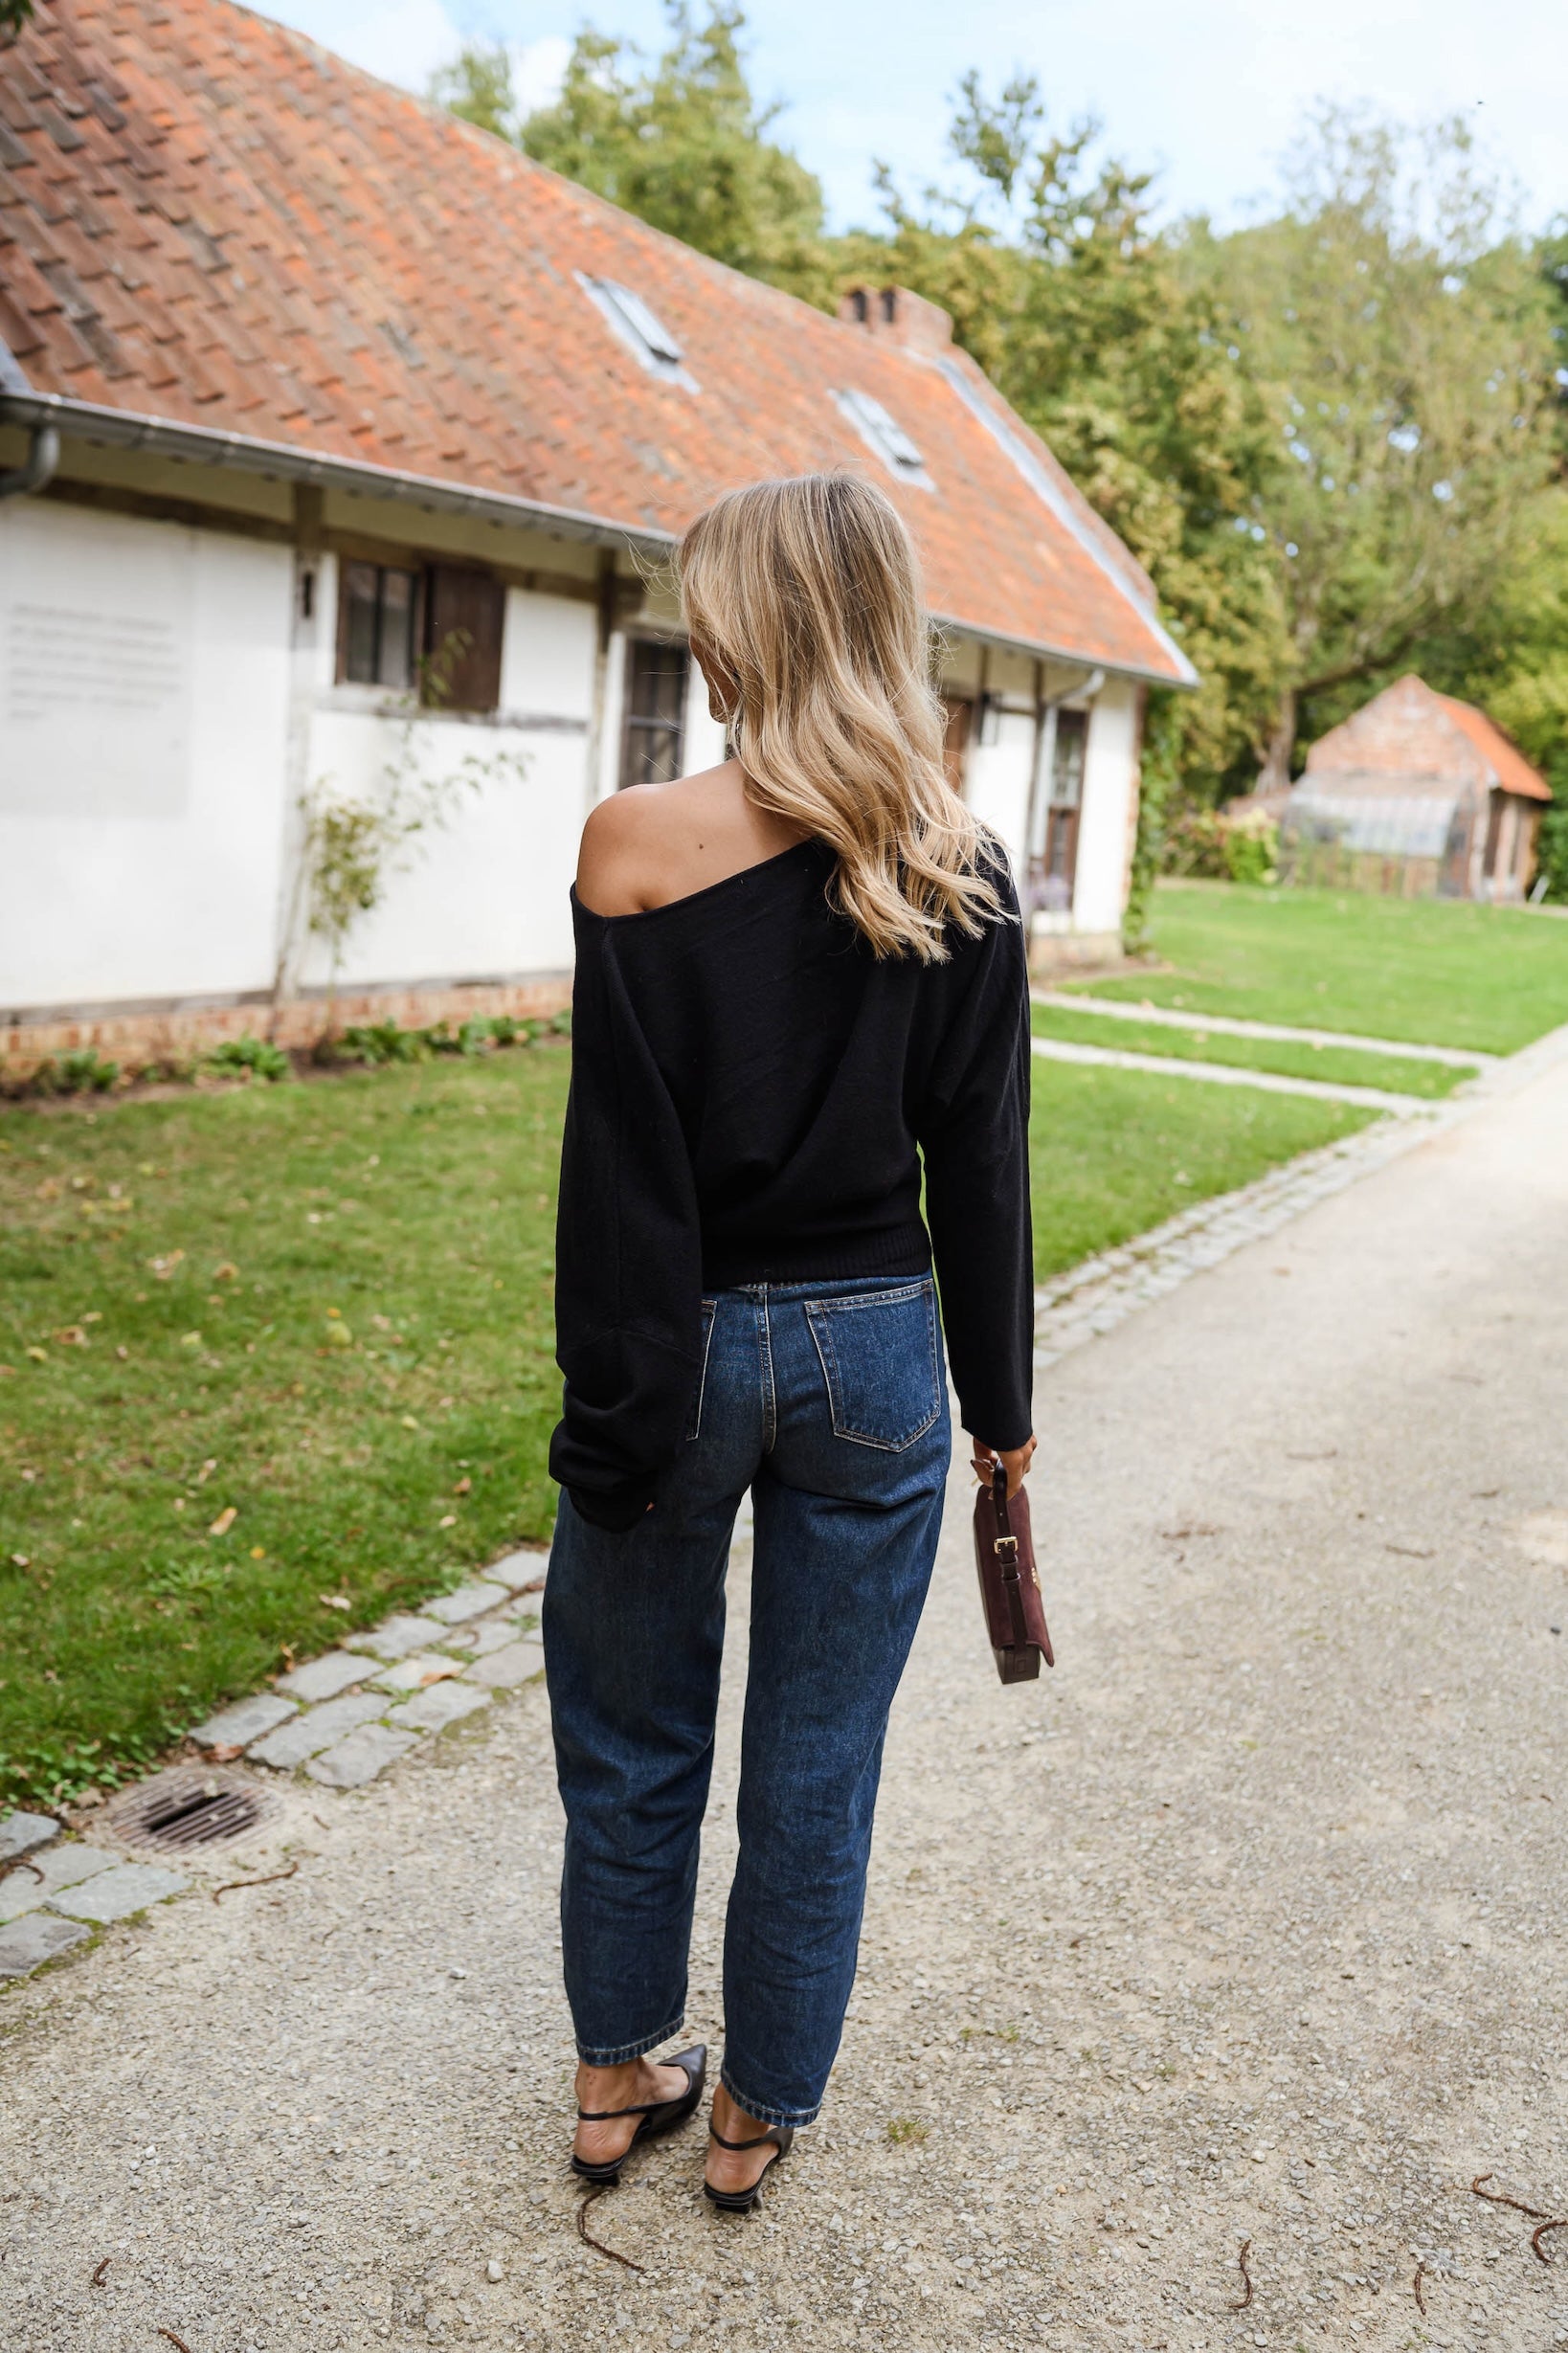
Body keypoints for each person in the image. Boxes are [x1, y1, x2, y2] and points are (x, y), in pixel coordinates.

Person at [544, 472, 1035, 2211]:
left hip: (672, 1340)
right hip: (877, 1354)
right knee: (817, 1764)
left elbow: (618, 1170)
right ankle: (751, 2118)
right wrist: (1002, 1412)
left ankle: (617, 2078)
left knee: (627, 1731)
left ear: (742, 624)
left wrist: (613, 1394)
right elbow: (977, 1160)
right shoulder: (951, 857)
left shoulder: (631, 845)